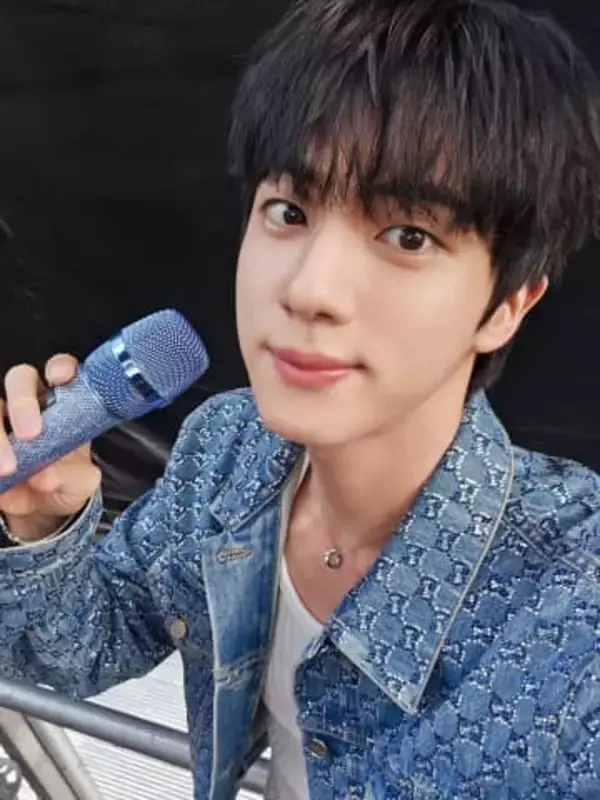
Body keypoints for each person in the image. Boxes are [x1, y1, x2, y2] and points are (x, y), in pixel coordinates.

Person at [0, 0, 598, 797]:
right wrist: (46, 524)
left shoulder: (575, 621)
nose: (310, 288)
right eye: (289, 212)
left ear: (508, 304)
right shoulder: (226, 446)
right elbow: (86, 650)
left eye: (409, 236)